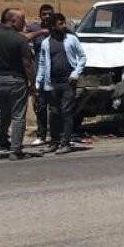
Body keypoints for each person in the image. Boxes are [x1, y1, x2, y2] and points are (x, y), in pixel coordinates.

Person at [0, 8, 36, 160]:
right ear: (13, 21)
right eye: (22, 20)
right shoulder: (20, 39)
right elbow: (27, 64)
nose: (24, 23)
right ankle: (15, 150)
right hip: (16, 80)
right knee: (18, 116)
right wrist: (32, 83)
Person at [36, 13, 87, 154]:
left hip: (68, 82)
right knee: (54, 113)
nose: (64, 26)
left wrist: (76, 73)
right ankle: (54, 142)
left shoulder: (71, 39)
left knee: (66, 111)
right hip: (52, 83)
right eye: (60, 24)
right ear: (53, 26)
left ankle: (66, 143)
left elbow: (82, 57)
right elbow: (42, 63)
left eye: (64, 23)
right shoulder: (46, 43)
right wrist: (38, 81)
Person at [24, 4, 54, 147]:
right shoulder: (34, 28)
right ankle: (41, 135)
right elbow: (22, 37)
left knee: (56, 106)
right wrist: (41, 32)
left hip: (56, 73)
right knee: (40, 105)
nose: (47, 16)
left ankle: (57, 134)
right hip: (40, 72)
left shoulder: (58, 28)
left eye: (49, 14)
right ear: (40, 15)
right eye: (44, 14)